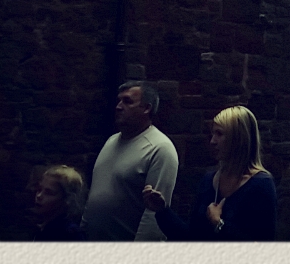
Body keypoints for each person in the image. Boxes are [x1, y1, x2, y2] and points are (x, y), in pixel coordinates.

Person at [143, 105, 277, 241]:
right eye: (213, 134)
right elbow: (191, 237)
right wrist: (162, 211)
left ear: (238, 138)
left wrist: (219, 225)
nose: (212, 141)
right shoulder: (209, 180)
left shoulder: (260, 185)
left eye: (219, 134)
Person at [81, 81, 179, 241]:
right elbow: (96, 193)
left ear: (146, 108)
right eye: (119, 101)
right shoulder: (111, 141)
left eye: (127, 101)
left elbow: (154, 214)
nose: (118, 107)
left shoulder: (159, 148)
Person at [32, 165, 87, 241]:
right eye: (39, 189)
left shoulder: (70, 234)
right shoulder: (44, 228)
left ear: (67, 199)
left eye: (49, 193)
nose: (39, 196)